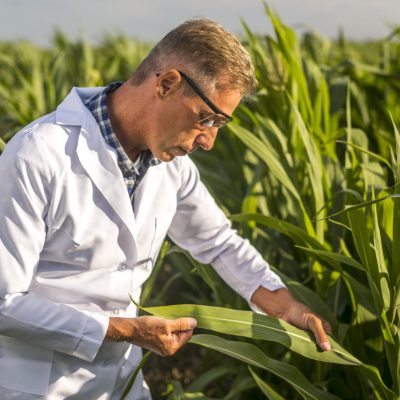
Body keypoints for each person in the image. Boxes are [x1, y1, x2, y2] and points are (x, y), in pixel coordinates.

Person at [0, 18, 331, 399]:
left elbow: (218, 241)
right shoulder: (38, 154)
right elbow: (5, 302)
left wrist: (283, 302)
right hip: (38, 387)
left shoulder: (171, 168)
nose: (209, 141)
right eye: (207, 118)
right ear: (167, 83)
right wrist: (126, 330)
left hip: (122, 383)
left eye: (221, 124)